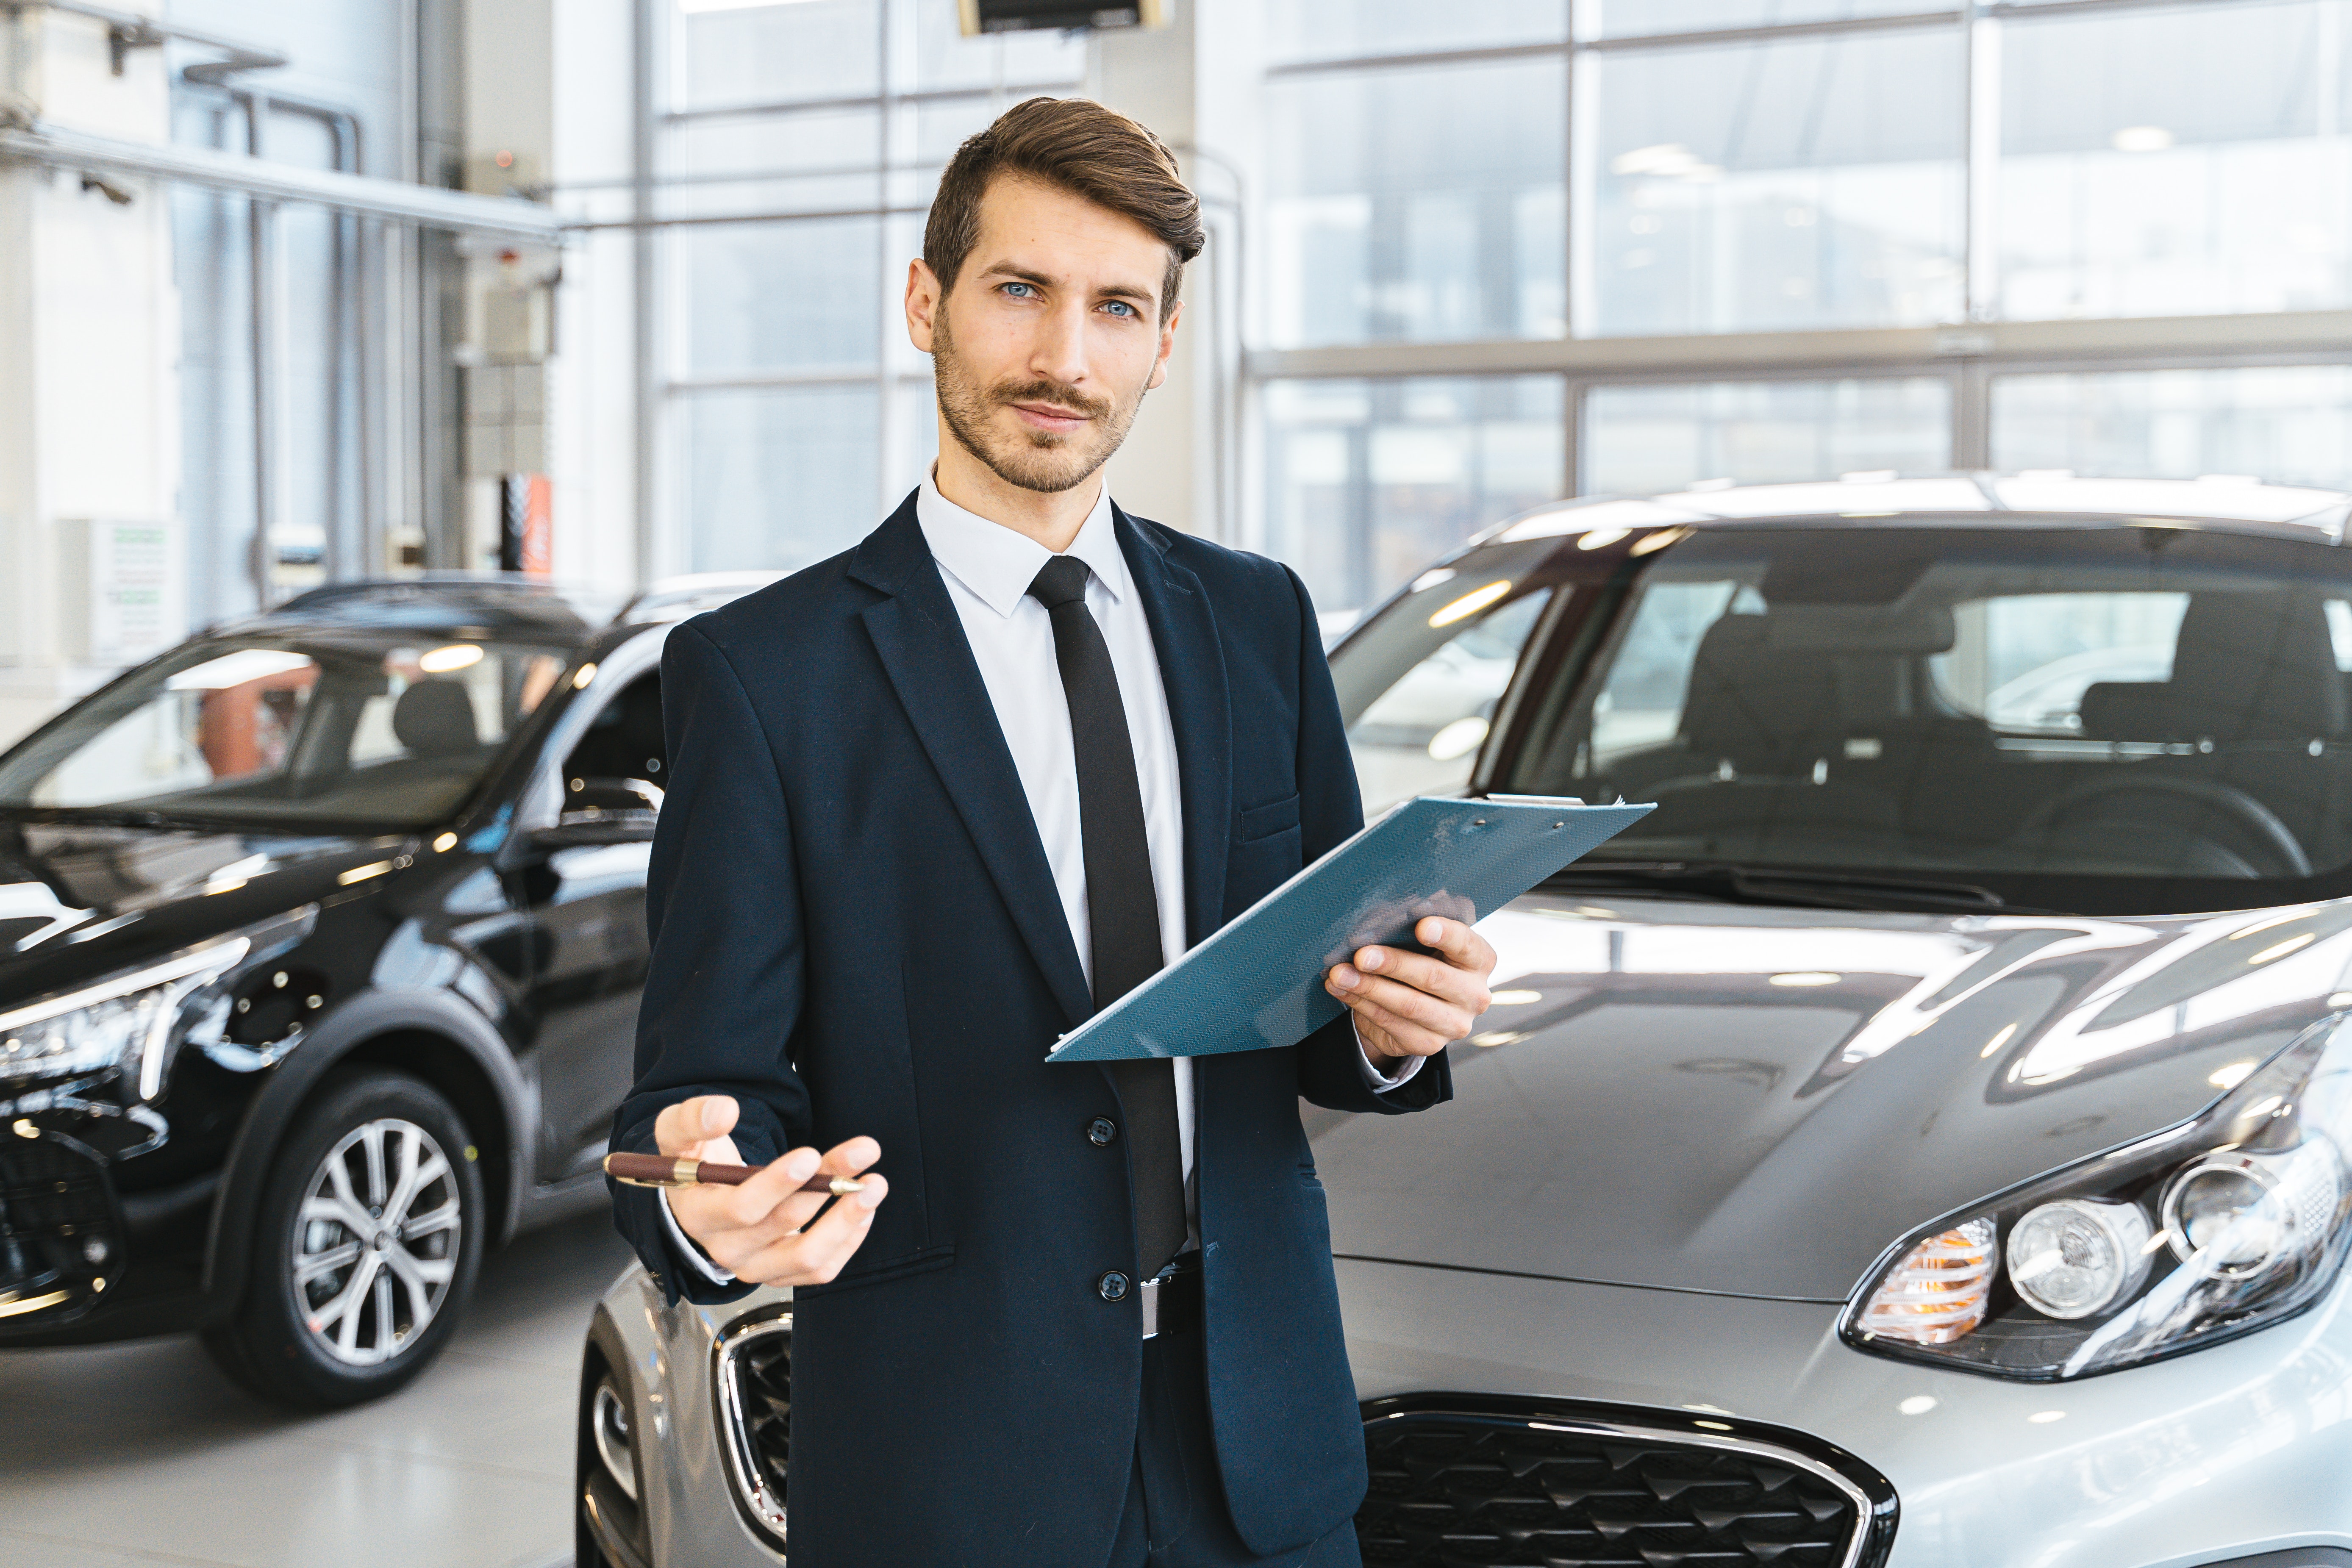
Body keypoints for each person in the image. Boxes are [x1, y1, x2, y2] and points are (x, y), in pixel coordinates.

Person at [607, 95, 1497, 1568]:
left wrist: (1402, 1022)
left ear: (1163, 339)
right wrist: (710, 1204)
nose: (1064, 359)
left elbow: (1324, 997)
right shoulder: (764, 676)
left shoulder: (1259, 620)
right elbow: (703, 1091)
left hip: (1257, 1443)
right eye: (1020, 290)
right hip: (953, 1462)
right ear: (926, 302)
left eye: (1117, 308)